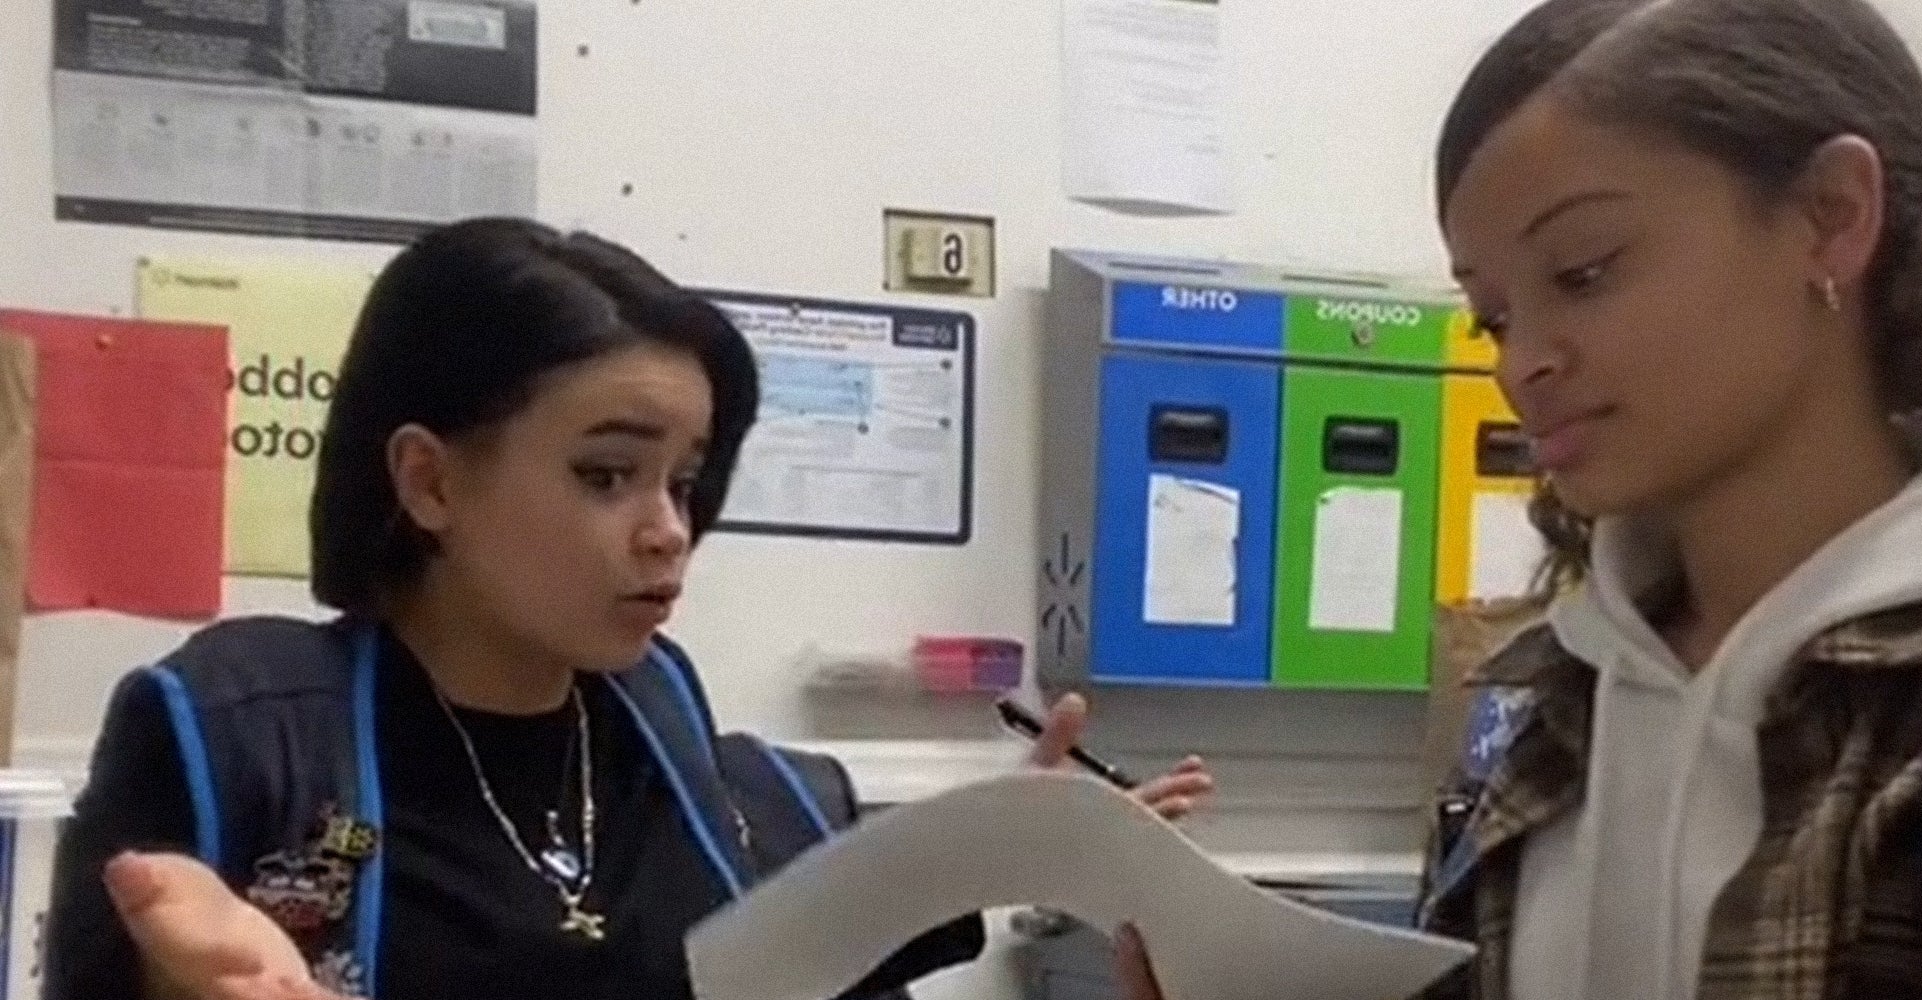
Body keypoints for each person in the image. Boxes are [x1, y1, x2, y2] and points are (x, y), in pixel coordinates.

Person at [47, 218, 1216, 1000]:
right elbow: (147, 952)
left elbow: (817, 934)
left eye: (685, 478)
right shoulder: (242, 732)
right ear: (430, 480)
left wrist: (1038, 842)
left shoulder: (693, 763)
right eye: (606, 475)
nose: (666, 527)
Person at [1119, 0, 1922, 998]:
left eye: (1582, 273)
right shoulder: (1545, 701)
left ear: (1829, 215)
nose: (1522, 363)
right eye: (1491, 316)